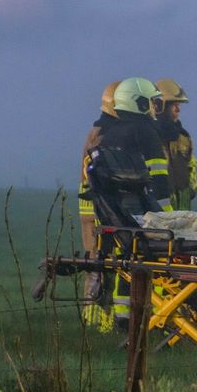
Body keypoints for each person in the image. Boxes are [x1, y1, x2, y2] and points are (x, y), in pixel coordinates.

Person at [85, 76, 173, 330]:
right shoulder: (146, 132)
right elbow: (158, 178)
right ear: (139, 103)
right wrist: (168, 219)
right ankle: (164, 317)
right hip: (147, 219)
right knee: (153, 265)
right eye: (151, 102)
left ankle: (123, 319)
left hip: (119, 219)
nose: (155, 108)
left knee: (125, 265)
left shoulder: (109, 134)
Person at [76, 80, 120, 332]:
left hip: (94, 211)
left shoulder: (100, 130)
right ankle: (97, 321)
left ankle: (100, 319)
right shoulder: (99, 134)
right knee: (98, 266)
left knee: (101, 265)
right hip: (96, 213)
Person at [154, 79, 197, 210]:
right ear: (160, 106)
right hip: (160, 205)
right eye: (174, 105)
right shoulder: (150, 136)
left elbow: (191, 164)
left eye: (179, 104)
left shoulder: (183, 137)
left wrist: (190, 190)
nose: (178, 109)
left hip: (183, 203)